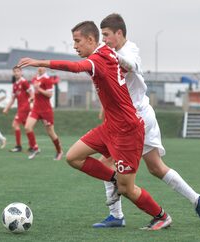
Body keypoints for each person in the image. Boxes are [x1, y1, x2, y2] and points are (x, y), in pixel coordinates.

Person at [18, 20, 172, 230]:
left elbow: (75, 67)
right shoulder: (107, 54)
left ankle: (161, 216)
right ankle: (114, 179)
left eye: (77, 41)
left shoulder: (99, 58)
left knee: (128, 189)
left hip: (127, 130)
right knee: (73, 157)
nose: (74, 46)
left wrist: (40, 62)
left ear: (91, 40)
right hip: (111, 126)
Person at [92, 13, 200, 228]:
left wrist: (112, 56)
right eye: (102, 36)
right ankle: (197, 200)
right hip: (134, 118)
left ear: (119, 33)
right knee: (156, 167)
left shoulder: (129, 50)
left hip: (135, 121)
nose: (105, 39)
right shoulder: (114, 52)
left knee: (106, 163)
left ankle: (116, 216)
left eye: (107, 35)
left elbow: (132, 65)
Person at [24, 67, 63, 160]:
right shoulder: (35, 79)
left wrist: (39, 89)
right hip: (36, 109)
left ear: (45, 68)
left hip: (46, 110)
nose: (40, 68)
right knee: (27, 127)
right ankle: (35, 148)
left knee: (51, 133)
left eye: (42, 66)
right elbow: (35, 92)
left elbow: (49, 95)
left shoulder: (47, 80)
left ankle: (59, 151)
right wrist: (32, 97)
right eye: (39, 66)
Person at [3, 66, 34, 152]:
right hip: (21, 108)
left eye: (18, 71)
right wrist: (6, 108)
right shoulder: (15, 85)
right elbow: (13, 99)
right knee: (27, 127)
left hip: (25, 108)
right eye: (15, 71)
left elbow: (31, 93)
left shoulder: (24, 82)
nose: (16, 73)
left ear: (21, 72)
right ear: (13, 73)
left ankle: (18, 146)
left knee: (15, 124)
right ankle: (33, 146)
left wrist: (31, 101)